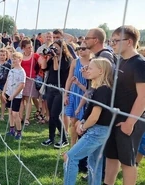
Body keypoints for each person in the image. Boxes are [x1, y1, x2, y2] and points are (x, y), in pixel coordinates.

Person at [104, 25, 145, 185]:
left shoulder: (139, 64)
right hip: (114, 118)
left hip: (130, 121)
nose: (112, 43)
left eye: (115, 40)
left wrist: (130, 122)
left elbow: (143, 96)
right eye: (111, 40)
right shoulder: (120, 61)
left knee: (128, 161)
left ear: (129, 42)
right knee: (111, 156)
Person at [63, 57, 113, 185]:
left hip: (96, 131)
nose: (87, 70)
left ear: (101, 71)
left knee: (70, 157)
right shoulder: (100, 88)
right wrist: (83, 120)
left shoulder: (102, 90)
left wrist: (83, 126)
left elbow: (95, 116)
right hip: (101, 130)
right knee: (94, 163)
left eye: (90, 68)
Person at [39, 39, 74, 148]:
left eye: (56, 47)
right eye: (53, 47)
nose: (54, 49)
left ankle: (64, 139)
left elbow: (57, 69)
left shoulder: (67, 59)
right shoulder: (52, 58)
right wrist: (45, 56)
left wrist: (54, 57)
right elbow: (44, 68)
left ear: (62, 48)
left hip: (60, 90)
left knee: (55, 115)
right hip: (50, 88)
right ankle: (51, 138)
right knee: (51, 114)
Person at [64, 43, 91, 147]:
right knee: (73, 121)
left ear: (90, 50)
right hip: (75, 94)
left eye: (83, 48)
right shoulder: (75, 62)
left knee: (84, 122)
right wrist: (66, 94)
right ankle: (72, 146)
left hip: (87, 94)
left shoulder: (93, 62)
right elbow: (69, 78)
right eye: (79, 48)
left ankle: (82, 147)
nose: (80, 50)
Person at [2, 52, 26, 140]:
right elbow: (7, 81)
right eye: (12, 59)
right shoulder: (11, 70)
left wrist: (13, 95)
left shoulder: (21, 72)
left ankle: (19, 131)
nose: (13, 61)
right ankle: (12, 129)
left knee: (15, 114)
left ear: (20, 60)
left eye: (15, 59)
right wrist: (3, 92)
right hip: (8, 94)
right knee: (10, 112)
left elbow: (22, 85)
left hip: (16, 96)